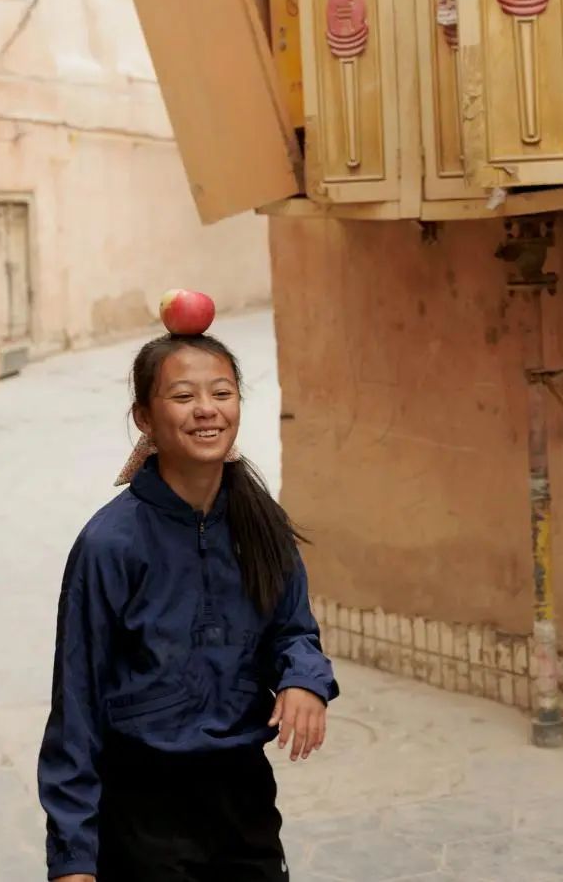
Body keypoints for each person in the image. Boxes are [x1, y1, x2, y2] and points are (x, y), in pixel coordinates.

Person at [37, 329, 338, 881]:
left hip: (244, 799)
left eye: (222, 393)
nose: (206, 410)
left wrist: (304, 678)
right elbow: (77, 702)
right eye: (182, 396)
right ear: (145, 418)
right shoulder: (111, 544)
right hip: (143, 810)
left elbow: (293, 630)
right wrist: (72, 857)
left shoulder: (261, 524)